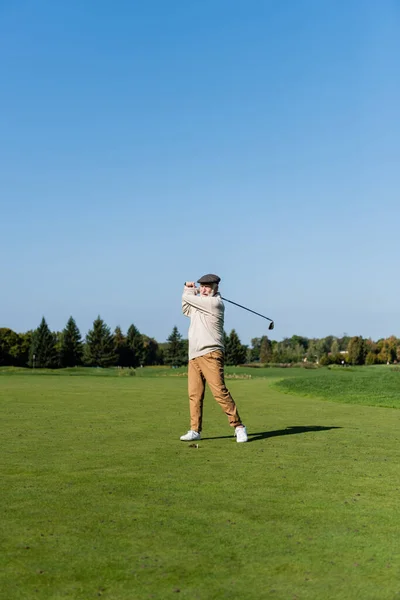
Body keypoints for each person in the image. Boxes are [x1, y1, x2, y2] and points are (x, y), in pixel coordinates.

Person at [180, 274, 248, 443]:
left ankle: (239, 427)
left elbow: (187, 297)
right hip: (194, 355)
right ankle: (195, 430)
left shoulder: (215, 303)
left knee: (219, 392)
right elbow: (185, 307)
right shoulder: (199, 303)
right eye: (202, 286)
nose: (203, 289)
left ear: (216, 288)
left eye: (207, 286)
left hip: (211, 353)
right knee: (194, 394)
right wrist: (190, 290)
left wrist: (189, 288)